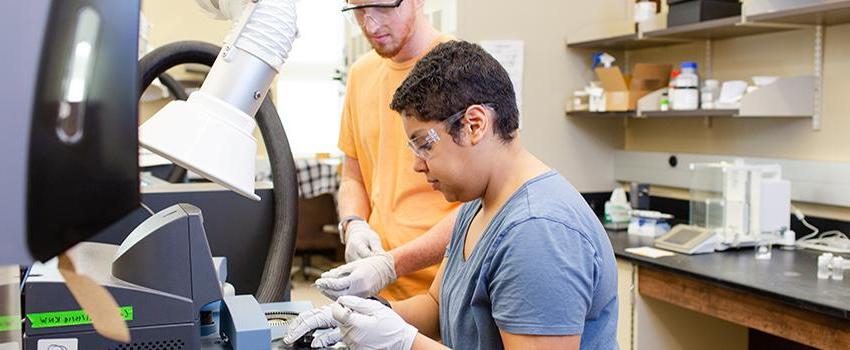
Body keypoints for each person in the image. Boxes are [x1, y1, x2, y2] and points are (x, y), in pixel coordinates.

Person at [285, 40, 619, 350]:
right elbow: (435, 307)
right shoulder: (478, 205)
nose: (417, 165)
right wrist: (362, 319)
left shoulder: (538, 231)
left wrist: (403, 343)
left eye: (424, 144)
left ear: (474, 125)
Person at [317, 0, 461, 302]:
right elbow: (353, 176)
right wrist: (353, 223)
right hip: (377, 287)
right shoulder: (361, 74)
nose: (370, 24)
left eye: (382, 6)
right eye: (358, 9)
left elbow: (482, 205)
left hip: (446, 289)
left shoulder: (460, 69)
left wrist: (393, 264)